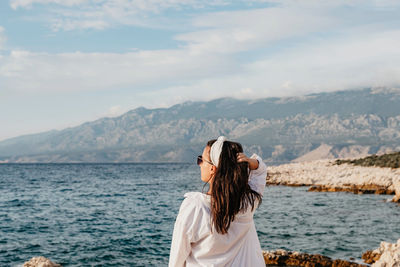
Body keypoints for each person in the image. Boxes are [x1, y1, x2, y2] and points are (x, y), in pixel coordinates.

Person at [169, 136, 268, 267]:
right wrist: (249, 161)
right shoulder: (247, 203)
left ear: (212, 168)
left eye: (201, 160)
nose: (199, 164)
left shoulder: (195, 207)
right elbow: (260, 171)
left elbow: (177, 258)